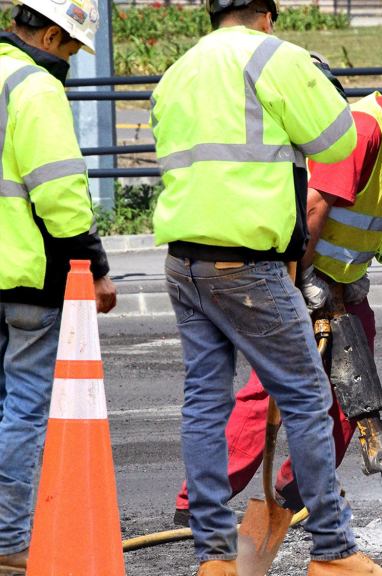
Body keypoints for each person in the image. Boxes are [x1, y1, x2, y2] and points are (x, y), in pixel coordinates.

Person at [151, 0, 382, 573]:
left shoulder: (179, 70)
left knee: (205, 404)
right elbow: (337, 143)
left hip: (184, 260)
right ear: (265, 13)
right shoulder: (275, 58)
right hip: (247, 263)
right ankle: (334, 551)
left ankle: (214, 556)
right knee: (309, 398)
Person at [171, 89, 382, 520]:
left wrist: (352, 276)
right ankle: (199, 501)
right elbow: (312, 209)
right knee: (267, 391)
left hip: (341, 286)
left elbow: (369, 215)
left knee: (354, 389)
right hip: (299, 274)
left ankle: (298, 490)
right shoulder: (360, 133)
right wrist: (299, 279)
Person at [0, 0, 117, 571]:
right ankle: (6, 540)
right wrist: (94, 265)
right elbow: (61, 197)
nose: (70, 59)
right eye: (71, 47)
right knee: (23, 409)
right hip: (24, 276)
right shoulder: (36, 88)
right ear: (50, 34)